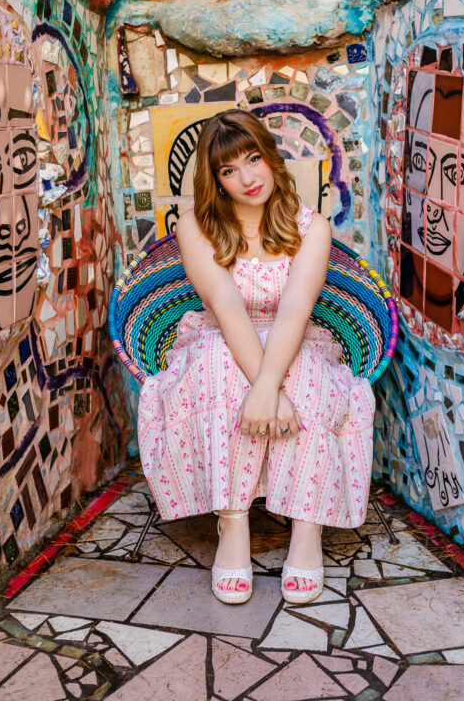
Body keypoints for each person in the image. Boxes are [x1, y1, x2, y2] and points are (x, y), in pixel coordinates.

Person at [138, 110, 375, 605]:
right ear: (215, 180)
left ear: (271, 157)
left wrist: (272, 386)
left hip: (295, 339)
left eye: (253, 159)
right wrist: (263, 387)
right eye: (228, 170)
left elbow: (295, 308)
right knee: (221, 371)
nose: (247, 178)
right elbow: (225, 306)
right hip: (219, 336)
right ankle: (233, 523)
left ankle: (306, 530)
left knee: (307, 376)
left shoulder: (310, 227)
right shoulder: (197, 227)